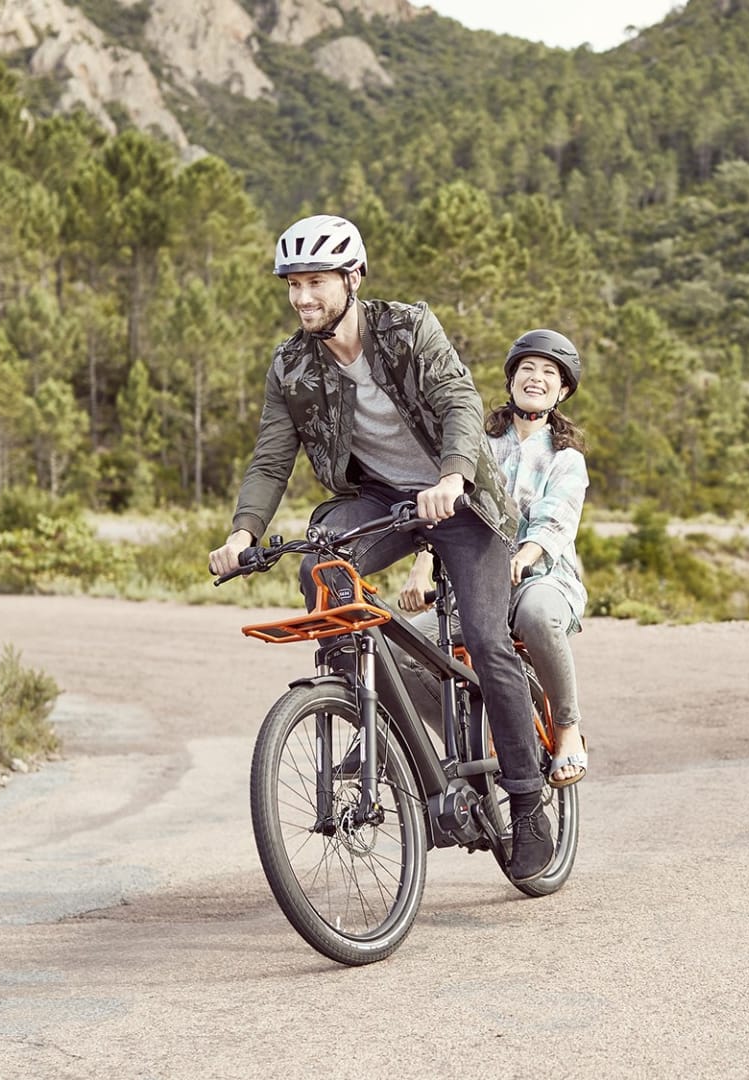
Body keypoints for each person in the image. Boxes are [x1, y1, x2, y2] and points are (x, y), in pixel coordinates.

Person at [208, 214, 553, 881]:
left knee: (485, 640)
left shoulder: (407, 327)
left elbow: (458, 400)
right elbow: (270, 458)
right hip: (382, 503)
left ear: (352, 277)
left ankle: (528, 800)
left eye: (315, 282)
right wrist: (243, 533)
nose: (302, 297)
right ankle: (364, 714)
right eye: (293, 285)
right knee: (321, 564)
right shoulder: (292, 365)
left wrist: (453, 475)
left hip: (464, 501)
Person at [399, 329, 590, 787]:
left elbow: (554, 522)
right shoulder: (476, 445)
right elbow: (444, 507)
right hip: (474, 584)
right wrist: (422, 566)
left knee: (538, 617)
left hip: (542, 580)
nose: (536, 378)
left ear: (562, 390)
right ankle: (468, 734)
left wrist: (522, 556)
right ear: (511, 380)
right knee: (399, 648)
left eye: (549, 373)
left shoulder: (566, 459)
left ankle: (568, 732)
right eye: (527, 368)